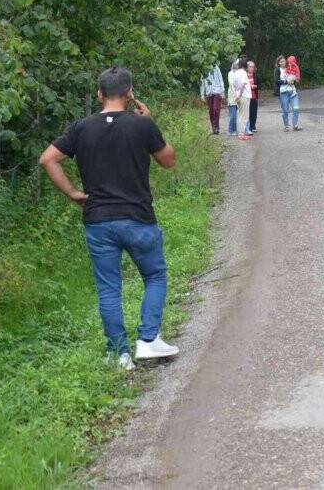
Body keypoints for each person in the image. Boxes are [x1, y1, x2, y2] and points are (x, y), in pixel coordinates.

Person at [38, 67, 179, 370]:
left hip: (98, 220)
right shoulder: (142, 126)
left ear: (99, 94)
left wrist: (73, 193)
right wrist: (150, 123)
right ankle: (148, 339)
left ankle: (119, 354)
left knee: (108, 288)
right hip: (138, 218)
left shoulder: (81, 128)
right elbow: (168, 161)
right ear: (130, 94)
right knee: (154, 276)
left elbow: (47, 159)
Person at [275, 55, 302, 131]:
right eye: (281, 62)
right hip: (283, 92)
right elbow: (276, 81)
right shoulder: (278, 70)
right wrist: (286, 81)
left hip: (293, 91)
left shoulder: (290, 67)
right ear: (279, 63)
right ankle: (286, 126)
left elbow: (296, 77)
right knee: (285, 110)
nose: (283, 63)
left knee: (296, 108)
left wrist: (295, 79)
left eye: (284, 61)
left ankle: (295, 125)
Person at [228, 59, 251, 140]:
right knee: (244, 116)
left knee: (240, 115)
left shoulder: (235, 73)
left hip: (238, 95)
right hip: (244, 95)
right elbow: (243, 84)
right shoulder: (243, 72)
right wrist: (240, 94)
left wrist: (236, 94)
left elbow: (232, 85)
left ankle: (241, 133)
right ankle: (241, 134)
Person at [199, 63, 224, 135]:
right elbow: (202, 82)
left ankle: (217, 127)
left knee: (216, 109)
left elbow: (220, 79)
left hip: (217, 91)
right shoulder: (203, 69)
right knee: (211, 111)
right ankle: (213, 128)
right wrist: (202, 94)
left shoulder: (216, 67)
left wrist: (222, 91)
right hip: (209, 92)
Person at [245, 61, 259, 134]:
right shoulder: (244, 75)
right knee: (248, 112)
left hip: (254, 96)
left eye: (253, 67)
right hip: (247, 96)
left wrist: (255, 86)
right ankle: (248, 127)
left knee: (254, 112)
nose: (252, 68)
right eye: (250, 66)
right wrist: (249, 87)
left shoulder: (255, 75)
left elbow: (259, 85)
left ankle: (253, 126)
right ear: (247, 67)